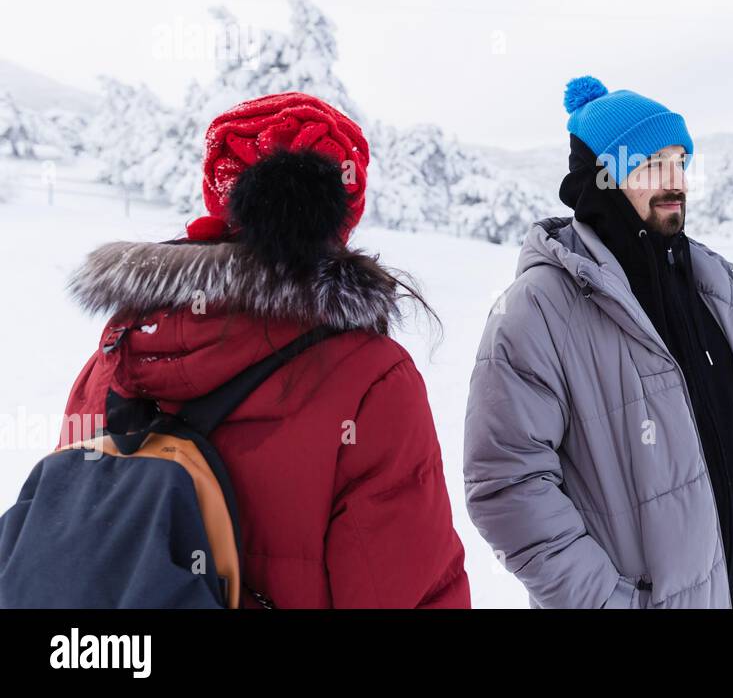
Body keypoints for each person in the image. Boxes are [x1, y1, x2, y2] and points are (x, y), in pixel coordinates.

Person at [58, 91, 470, 608]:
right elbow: (402, 589)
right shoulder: (374, 382)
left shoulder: (114, 357)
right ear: (342, 212)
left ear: (218, 192)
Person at [464, 76, 733, 608]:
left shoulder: (706, 290)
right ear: (602, 179)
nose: (675, 183)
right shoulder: (537, 310)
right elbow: (505, 485)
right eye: (651, 166)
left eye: (680, 162)